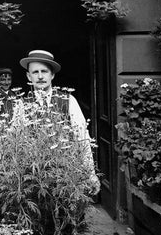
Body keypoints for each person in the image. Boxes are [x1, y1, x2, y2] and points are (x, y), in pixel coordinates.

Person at [18, 49, 100, 194]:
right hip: (34, 177)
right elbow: (18, 141)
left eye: (44, 71)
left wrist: (90, 174)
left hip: (66, 174)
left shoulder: (67, 100)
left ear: (52, 75)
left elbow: (82, 138)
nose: (40, 76)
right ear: (28, 76)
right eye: (35, 72)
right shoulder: (22, 104)